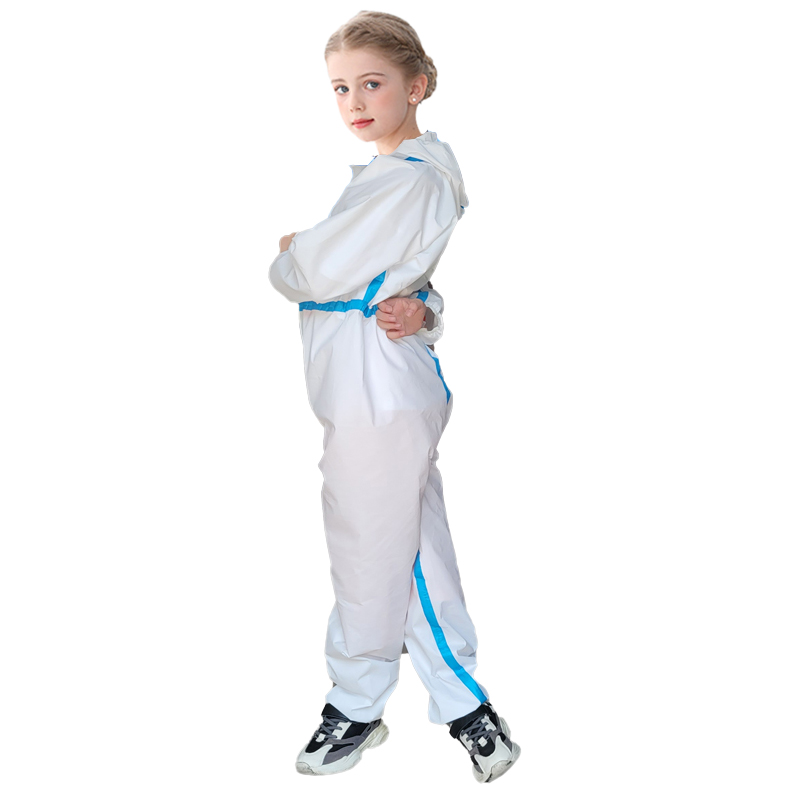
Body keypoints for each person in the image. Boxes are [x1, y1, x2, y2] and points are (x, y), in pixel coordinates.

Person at [268, 11, 521, 784]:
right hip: (383, 383)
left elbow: (307, 272)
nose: (354, 101)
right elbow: (402, 278)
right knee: (413, 549)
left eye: (372, 83)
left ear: (417, 85)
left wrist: (292, 252)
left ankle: (356, 702)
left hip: (373, 393)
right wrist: (426, 308)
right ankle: (467, 705)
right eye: (340, 88)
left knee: (369, 551)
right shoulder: (403, 176)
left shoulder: (406, 178)